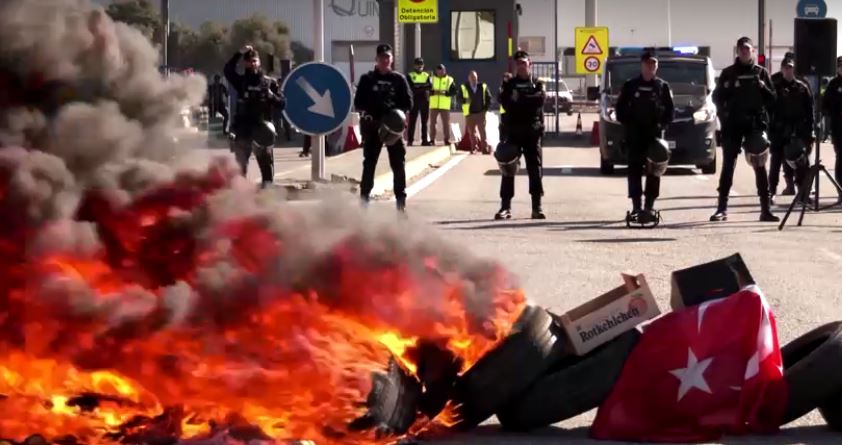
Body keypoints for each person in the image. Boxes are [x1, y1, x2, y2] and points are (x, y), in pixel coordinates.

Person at [710, 36, 778, 222]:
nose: (744, 51)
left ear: (753, 51)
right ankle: (721, 209)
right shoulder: (728, 73)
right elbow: (716, 97)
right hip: (733, 125)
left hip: (754, 125)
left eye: (747, 49)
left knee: (759, 164)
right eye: (741, 49)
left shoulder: (761, 73)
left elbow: (772, 99)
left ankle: (765, 209)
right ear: (737, 52)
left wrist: (763, 88)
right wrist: (724, 116)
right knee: (728, 166)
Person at [614, 52, 675, 224]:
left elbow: (670, 111)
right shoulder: (630, 85)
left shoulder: (662, 86)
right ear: (641, 65)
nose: (651, 67)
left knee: (654, 172)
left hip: (654, 137)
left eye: (654, 64)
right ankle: (636, 206)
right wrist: (628, 124)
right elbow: (620, 109)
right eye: (648, 63)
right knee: (634, 171)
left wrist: (661, 125)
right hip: (634, 136)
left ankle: (649, 206)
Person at [353, 43, 413, 212]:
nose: (385, 60)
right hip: (373, 129)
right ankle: (364, 202)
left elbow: (409, 103)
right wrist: (372, 113)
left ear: (392, 59)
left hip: (394, 129)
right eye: (381, 58)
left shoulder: (399, 80)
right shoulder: (367, 79)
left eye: (387, 57)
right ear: (376, 60)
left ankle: (401, 205)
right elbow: (358, 103)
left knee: (398, 166)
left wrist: (397, 114)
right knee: (369, 164)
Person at [224, 45, 285, 187]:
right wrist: (239, 52)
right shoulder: (241, 82)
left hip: (263, 129)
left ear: (259, 62)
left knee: (266, 169)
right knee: (240, 168)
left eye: (255, 61)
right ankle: (241, 199)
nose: (252, 64)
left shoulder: (270, 83)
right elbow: (228, 70)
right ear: (245, 63)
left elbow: (282, 104)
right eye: (249, 61)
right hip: (243, 129)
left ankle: (267, 197)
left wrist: (271, 96)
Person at [495, 50, 546, 220]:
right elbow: (505, 101)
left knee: (535, 168)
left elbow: (539, 101)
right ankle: (505, 207)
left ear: (529, 64)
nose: (521, 67)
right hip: (513, 131)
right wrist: (522, 99)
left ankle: (536, 207)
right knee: (507, 168)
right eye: (518, 64)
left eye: (524, 63)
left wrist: (520, 98)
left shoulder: (538, 82)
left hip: (532, 132)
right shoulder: (509, 83)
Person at [769, 57, 813, 204]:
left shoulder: (802, 87)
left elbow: (809, 112)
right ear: (782, 69)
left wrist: (809, 132)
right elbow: (768, 110)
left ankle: (803, 193)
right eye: (786, 68)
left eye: (791, 68)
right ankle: (771, 192)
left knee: (801, 164)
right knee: (775, 162)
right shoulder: (775, 87)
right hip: (779, 131)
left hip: (798, 131)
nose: (788, 70)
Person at [821, 56, 842, 196]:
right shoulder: (833, 84)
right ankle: (840, 189)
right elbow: (825, 106)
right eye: (840, 66)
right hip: (838, 129)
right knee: (840, 159)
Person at [460, 70, 493, 154]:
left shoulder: (483, 86)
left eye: (474, 77)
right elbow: (459, 98)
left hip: (480, 113)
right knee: (472, 132)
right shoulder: (464, 87)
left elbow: (489, 98)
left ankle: (484, 148)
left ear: (477, 78)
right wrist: (464, 100)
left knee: (482, 132)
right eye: (471, 77)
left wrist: (485, 109)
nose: (473, 79)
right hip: (469, 113)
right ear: (469, 78)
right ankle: (474, 147)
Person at [429, 64, 457, 145]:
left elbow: (454, 91)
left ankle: (446, 139)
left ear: (444, 71)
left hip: (445, 106)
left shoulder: (450, 80)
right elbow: (427, 90)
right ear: (436, 71)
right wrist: (434, 92)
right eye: (438, 71)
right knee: (433, 124)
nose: (440, 72)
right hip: (434, 105)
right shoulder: (432, 79)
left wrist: (445, 93)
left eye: (442, 70)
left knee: (446, 124)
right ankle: (432, 139)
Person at [407, 57, 432, 146]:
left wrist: (418, 87)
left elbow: (430, 86)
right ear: (414, 65)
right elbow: (412, 88)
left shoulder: (426, 75)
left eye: (421, 64)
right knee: (412, 121)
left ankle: (424, 140)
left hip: (425, 100)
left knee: (424, 122)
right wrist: (423, 86)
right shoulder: (410, 75)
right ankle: (410, 140)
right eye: (418, 64)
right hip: (414, 100)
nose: (420, 66)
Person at [499, 72, 513, 142]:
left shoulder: (512, 87)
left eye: (507, 78)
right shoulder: (502, 88)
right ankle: (503, 140)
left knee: (510, 126)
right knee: (503, 126)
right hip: (503, 110)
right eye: (505, 78)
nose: (506, 79)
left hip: (511, 110)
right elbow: (499, 98)